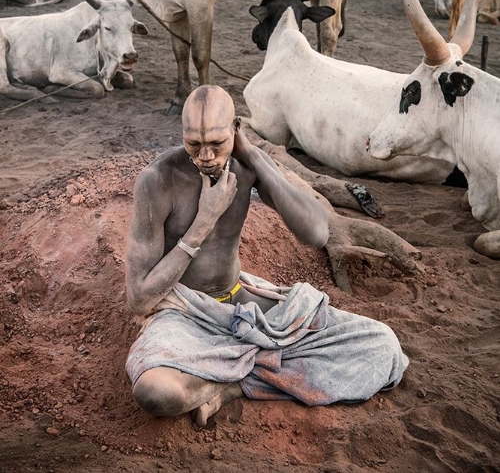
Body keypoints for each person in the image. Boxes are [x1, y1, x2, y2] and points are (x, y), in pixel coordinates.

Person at [125, 85, 409, 428]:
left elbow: (317, 233)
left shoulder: (246, 168)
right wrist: (203, 221)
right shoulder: (158, 180)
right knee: (156, 392)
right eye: (193, 144)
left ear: (235, 130)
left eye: (217, 143)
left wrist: (255, 157)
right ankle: (259, 367)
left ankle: (228, 384)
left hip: (243, 302)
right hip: (185, 312)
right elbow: (140, 298)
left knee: (383, 346)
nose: (205, 156)